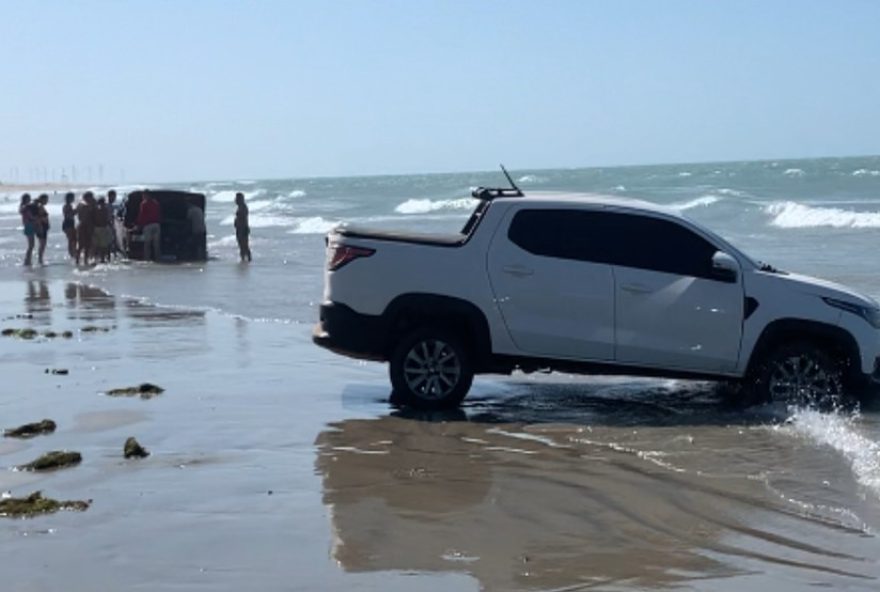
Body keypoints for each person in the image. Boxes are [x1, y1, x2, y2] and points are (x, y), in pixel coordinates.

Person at [137, 189, 161, 261]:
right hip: (156, 225)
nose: (142, 197)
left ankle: (147, 259)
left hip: (148, 225)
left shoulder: (144, 204)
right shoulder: (156, 203)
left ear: (146, 195)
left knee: (147, 244)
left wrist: (139, 225)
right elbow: (159, 214)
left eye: (143, 195)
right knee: (156, 244)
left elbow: (141, 215)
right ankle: (157, 258)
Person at [76, 192, 97, 265]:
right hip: (86, 226)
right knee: (85, 244)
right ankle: (84, 260)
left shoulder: (80, 204)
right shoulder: (86, 206)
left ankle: (79, 260)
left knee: (82, 245)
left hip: (82, 225)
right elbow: (89, 215)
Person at [93, 197, 113, 263]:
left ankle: (96, 258)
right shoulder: (105, 210)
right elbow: (106, 220)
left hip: (96, 228)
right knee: (104, 245)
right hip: (103, 228)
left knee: (97, 245)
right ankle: (103, 259)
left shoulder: (95, 210)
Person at [234, 192, 251, 262]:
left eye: (237, 198)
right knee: (242, 245)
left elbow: (243, 219)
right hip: (240, 228)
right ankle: (243, 259)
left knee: (244, 245)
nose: (235, 200)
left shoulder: (243, 207)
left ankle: (246, 259)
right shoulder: (241, 207)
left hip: (242, 228)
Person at [34, 194, 50, 266]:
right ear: (43, 199)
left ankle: (40, 259)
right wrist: (40, 225)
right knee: (42, 244)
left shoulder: (41, 206)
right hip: (41, 227)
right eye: (46, 200)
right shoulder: (40, 207)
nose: (47, 201)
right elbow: (38, 218)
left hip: (43, 227)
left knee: (42, 244)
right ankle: (40, 260)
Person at [19, 193, 35, 266]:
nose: (30, 200)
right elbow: (31, 217)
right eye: (28, 198)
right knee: (31, 245)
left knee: (31, 245)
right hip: (29, 226)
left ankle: (28, 260)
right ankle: (27, 260)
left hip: (27, 226)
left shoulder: (23, 207)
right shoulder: (26, 207)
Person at [62, 192, 77, 260]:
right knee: (71, 240)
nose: (73, 199)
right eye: (72, 198)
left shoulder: (68, 206)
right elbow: (68, 215)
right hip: (68, 223)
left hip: (69, 223)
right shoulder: (67, 206)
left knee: (72, 240)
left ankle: (72, 253)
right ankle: (72, 254)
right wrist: (75, 211)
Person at [107, 190, 122, 259]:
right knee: (110, 242)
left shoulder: (111, 205)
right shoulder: (108, 205)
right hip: (108, 225)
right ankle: (109, 256)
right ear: (110, 196)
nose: (114, 198)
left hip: (110, 225)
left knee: (112, 241)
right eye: (114, 197)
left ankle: (111, 256)